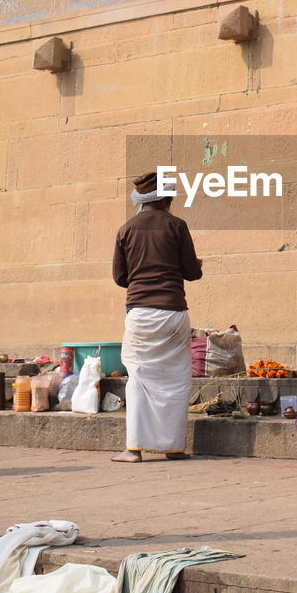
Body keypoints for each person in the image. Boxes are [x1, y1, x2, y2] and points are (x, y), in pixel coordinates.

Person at [110, 171, 202, 463]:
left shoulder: (126, 229)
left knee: (138, 379)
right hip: (173, 313)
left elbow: (120, 277)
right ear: (166, 198)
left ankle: (133, 450)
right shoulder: (177, 226)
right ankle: (173, 448)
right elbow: (192, 272)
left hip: (140, 314)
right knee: (175, 381)